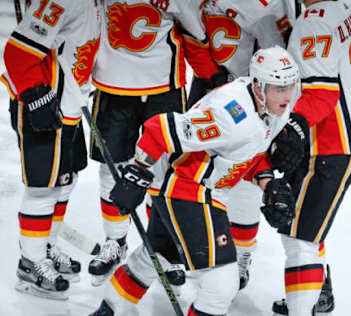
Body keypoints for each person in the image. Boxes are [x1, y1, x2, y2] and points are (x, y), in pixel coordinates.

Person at [89, 46, 299, 316]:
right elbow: (159, 129)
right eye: (278, 88)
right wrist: (137, 172)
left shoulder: (271, 107)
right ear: (258, 85)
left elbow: (246, 152)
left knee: (159, 256)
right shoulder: (229, 115)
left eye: (290, 86)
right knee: (222, 283)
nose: (287, 95)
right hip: (188, 189)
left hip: (203, 190)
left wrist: (268, 183)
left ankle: (109, 309)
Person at [87, 0, 208, 287]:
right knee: (113, 170)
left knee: (164, 172)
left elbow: (198, 29)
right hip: (111, 83)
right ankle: (115, 242)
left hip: (163, 86)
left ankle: (162, 247)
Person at [269, 0, 351, 314]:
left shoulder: (313, 22)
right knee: (305, 221)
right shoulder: (346, 8)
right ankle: (318, 293)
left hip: (334, 145)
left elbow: (322, 93)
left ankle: (308, 304)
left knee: (299, 237)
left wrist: (295, 129)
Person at [183, 0, 295, 289]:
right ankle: (188, 245)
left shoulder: (275, 6)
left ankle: (242, 256)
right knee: (195, 172)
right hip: (214, 89)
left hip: (261, 95)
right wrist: (211, 75)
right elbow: (191, 36)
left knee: (248, 182)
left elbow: (282, 51)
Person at [0, 0, 100, 300]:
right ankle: (30, 263)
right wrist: (34, 95)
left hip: (68, 102)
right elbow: (17, 54)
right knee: (43, 188)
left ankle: (45, 245)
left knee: (65, 181)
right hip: (43, 105)